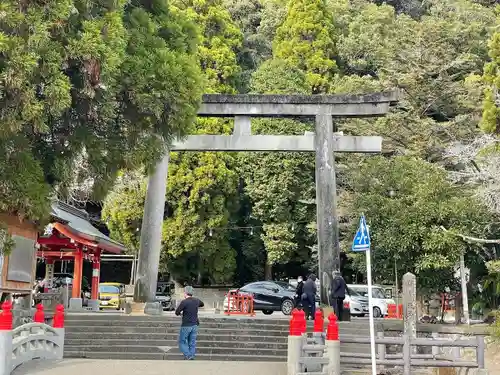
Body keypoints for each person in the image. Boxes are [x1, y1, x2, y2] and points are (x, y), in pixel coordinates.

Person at [175, 286, 204, 360]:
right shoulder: (196, 300)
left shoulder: (184, 302)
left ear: (185, 293)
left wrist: (181, 314)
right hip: (195, 324)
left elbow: (177, 312)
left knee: (182, 341)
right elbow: (202, 304)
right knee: (192, 342)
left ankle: (188, 355)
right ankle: (191, 356)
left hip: (186, 324)